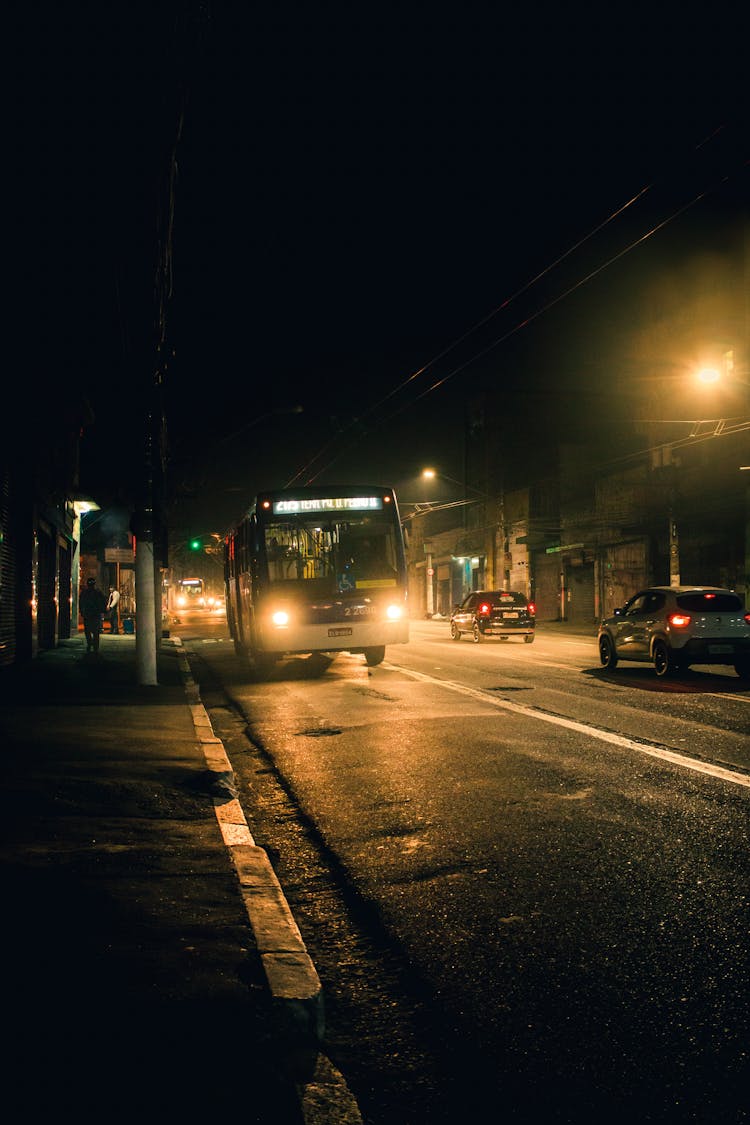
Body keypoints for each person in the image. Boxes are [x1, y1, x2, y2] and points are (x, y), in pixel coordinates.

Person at [79, 576, 107, 655]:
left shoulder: (84, 593)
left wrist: (81, 612)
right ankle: (95, 647)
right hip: (95, 615)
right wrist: (102, 611)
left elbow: (81, 603)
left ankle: (89, 644)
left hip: (87, 615)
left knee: (87, 631)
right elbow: (103, 602)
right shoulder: (98, 592)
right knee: (96, 632)